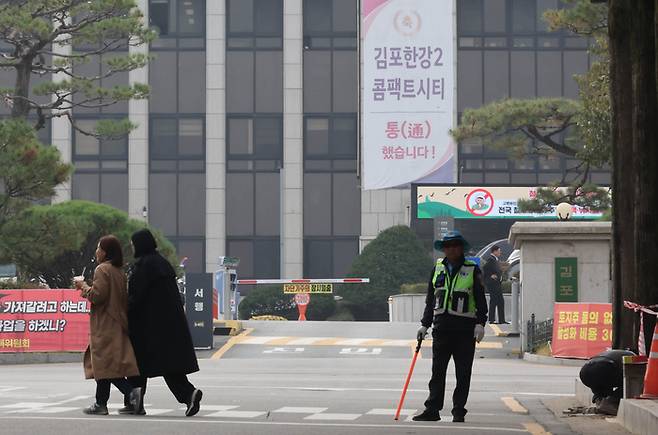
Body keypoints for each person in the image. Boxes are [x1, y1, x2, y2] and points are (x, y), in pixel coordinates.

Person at [413, 230, 488, 423]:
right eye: (447, 246)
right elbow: (431, 299)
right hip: (441, 329)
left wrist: (480, 323)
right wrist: (424, 325)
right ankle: (432, 409)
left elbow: (480, 299)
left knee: (463, 373)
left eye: (455, 245)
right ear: (443, 249)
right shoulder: (437, 268)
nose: (451, 249)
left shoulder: (472, 269)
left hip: (464, 330)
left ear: (461, 248)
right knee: (437, 372)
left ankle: (458, 410)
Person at [127, 229, 202, 417]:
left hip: (148, 327)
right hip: (170, 324)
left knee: (137, 364)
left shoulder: (144, 266)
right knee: (169, 366)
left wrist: (124, 311)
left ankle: (135, 403)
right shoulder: (163, 264)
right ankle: (189, 394)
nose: (131, 247)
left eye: (133, 244)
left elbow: (136, 298)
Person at [75, 235, 141, 415]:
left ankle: (131, 393)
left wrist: (83, 287)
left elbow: (98, 296)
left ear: (105, 252)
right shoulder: (119, 271)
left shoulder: (102, 269)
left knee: (104, 364)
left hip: (105, 324)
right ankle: (100, 403)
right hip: (118, 322)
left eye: (98, 248)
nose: (97, 251)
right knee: (105, 364)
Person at [579, 349, 635, 414]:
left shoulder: (620, 354)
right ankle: (609, 402)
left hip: (585, 370)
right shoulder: (633, 357)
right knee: (631, 383)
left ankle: (600, 401)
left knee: (599, 381)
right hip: (605, 367)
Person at [484, 245, 506, 324]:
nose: (500, 252)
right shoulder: (491, 259)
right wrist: (490, 276)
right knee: (494, 300)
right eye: (499, 251)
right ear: (495, 251)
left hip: (497, 284)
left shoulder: (495, 259)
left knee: (500, 301)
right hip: (493, 284)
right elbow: (485, 269)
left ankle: (501, 320)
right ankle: (491, 319)